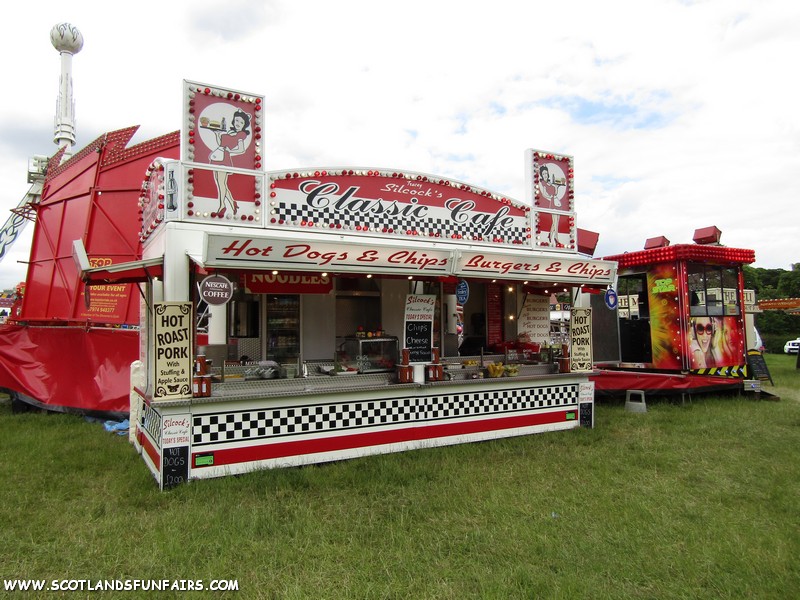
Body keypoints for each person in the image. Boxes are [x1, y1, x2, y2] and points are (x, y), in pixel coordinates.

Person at [209, 109, 251, 216]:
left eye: (241, 122)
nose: (238, 124)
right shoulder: (230, 132)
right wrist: (217, 135)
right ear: (233, 121)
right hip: (217, 156)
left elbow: (242, 149)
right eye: (237, 121)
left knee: (221, 184)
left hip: (224, 158)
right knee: (221, 184)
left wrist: (230, 151)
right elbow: (221, 144)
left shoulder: (241, 135)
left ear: (244, 125)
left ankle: (222, 206)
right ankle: (233, 202)